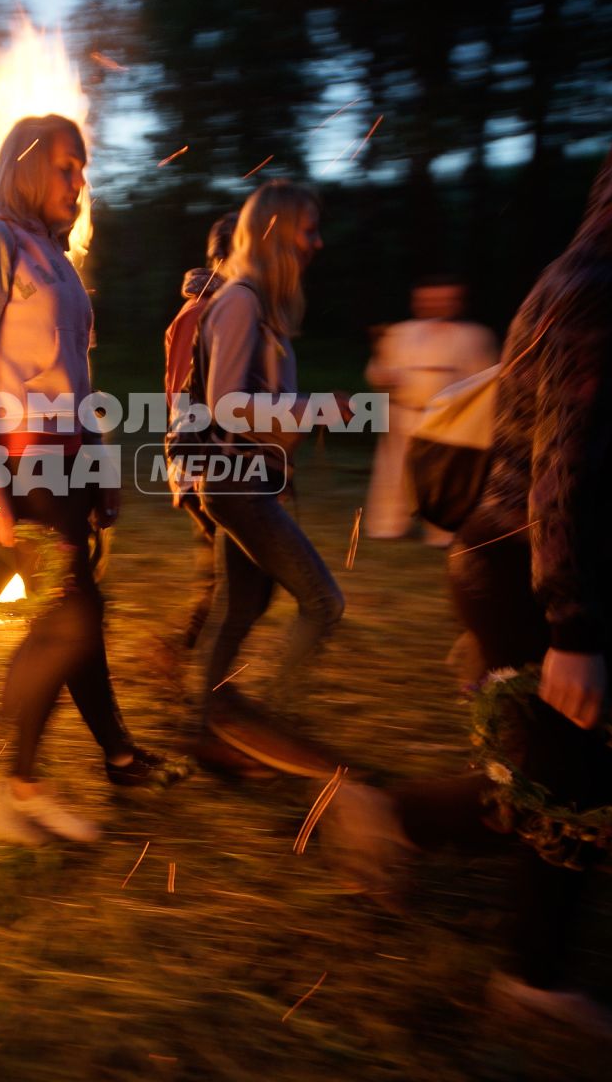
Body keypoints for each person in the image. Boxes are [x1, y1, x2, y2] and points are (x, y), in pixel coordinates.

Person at [330, 100, 612, 1046]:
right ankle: (531, 973)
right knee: (566, 780)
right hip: (527, 564)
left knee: (571, 769)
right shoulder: (600, 293)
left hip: (550, 564)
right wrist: (573, 627)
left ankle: (399, 817)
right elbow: (561, 469)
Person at [0, 113, 187, 844]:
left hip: (67, 463)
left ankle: (115, 754)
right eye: (66, 167)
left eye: (83, 168)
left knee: (76, 612)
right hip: (18, 462)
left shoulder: (54, 259)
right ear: (27, 169)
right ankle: (22, 778)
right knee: (73, 618)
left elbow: (77, 376)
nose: (79, 182)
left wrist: (101, 464)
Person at [172, 181, 346, 778]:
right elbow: (224, 403)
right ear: (273, 230)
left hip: (250, 479)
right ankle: (266, 728)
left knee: (242, 603)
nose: (317, 242)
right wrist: (319, 410)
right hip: (237, 482)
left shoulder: (256, 302)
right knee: (323, 603)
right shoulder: (241, 299)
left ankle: (209, 731)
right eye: (307, 229)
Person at [148, 212, 235, 673]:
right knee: (227, 570)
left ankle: (187, 660)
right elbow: (187, 395)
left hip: (213, 453)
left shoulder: (224, 307)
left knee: (222, 566)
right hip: (204, 454)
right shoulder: (202, 313)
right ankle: (189, 663)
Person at [363, 276, 498, 545]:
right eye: (431, 299)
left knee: (443, 474)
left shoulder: (475, 337)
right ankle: (388, 525)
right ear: (419, 301)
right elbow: (375, 371)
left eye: (445, 299)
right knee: (395, 472)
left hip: (448, 421)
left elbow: (485, 381)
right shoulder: (399, 333)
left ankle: (442, 530)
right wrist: (383, 376)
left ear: (457, 302)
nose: (437, 305)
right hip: (403, 413)